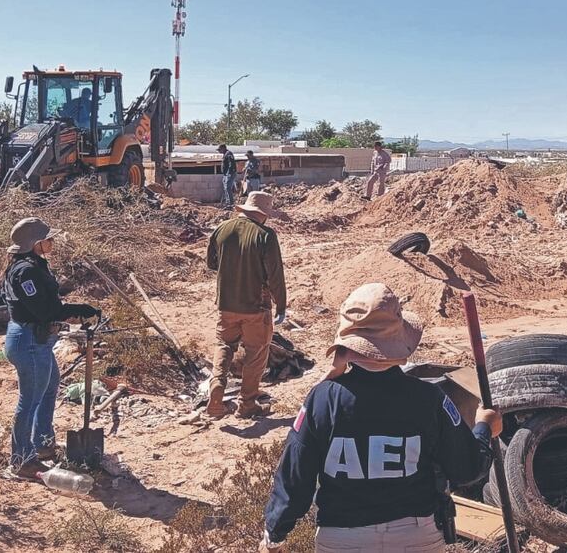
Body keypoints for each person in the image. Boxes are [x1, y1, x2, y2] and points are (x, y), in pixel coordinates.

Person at [261, 283, 502, 552]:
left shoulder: (323, 399)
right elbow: (466, 468)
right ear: (399, 344)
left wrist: (275, 532)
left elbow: (296, 473)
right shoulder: (428, 399)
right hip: (415, 535)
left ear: (345, 346)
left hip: (343, 538)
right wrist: (484, 428)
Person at [0, 217, 100, 479]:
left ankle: (42, 444)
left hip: (35, 339)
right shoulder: (25, 271)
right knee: (30, 401)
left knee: (49, 387)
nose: (52, 241)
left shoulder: (33, 266)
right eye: (48, 238)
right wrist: (75, 310)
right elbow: (44, 310)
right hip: (29, 340)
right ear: (36, 243)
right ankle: (22, 460)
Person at [205, 191, 287, 419]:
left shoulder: (222, 229)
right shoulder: (266, 235)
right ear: (264, 214)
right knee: (256, 353)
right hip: (256, 307)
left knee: (224, 345)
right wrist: (281, 305)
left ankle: (217, 389)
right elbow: (275, 275)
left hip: (226, 304)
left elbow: (212, 263)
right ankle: (247, 403)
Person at [219, 144, 237, 208]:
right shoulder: (225, 154)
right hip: (225, 174)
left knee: (228, 188)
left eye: (220, 150)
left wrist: (229, 173)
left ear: (223, 148)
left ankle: (231, 203)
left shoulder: (228, 154)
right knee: (225, 188)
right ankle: (227, 202)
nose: (219, 151)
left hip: (229, 174)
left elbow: (231, 164)